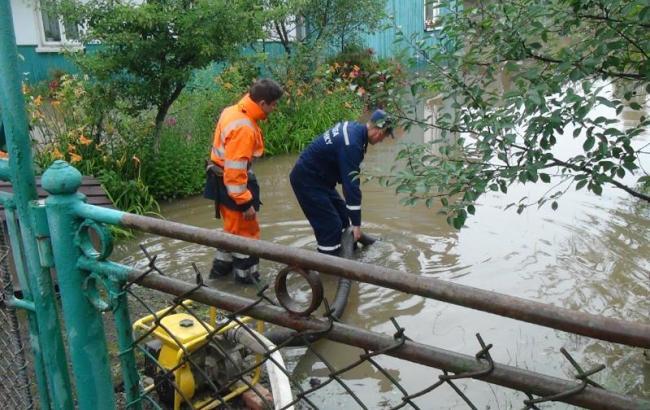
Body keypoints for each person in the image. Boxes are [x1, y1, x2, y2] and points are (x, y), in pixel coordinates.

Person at [204, 78, 283, 283]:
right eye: (273, 104)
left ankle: (219, 276)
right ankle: (246, 283)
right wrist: (246, 202)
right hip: (233, 188)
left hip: (221, 183)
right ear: (263, 103)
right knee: (246, 235)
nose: (274, 109)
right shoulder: (245, 128)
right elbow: (235, 172)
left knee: (231, 232)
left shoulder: (231, 111)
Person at [289, 109, 394, 256]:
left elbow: (347, 180)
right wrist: (356, 225)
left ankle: (348, 256)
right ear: (379, 131)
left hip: (321, 180)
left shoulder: (356, 131)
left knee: (344, 218)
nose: (381, 140)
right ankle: (329, 269)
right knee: (331, 226)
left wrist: (353, 222)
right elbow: (351, 185)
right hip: (307, 180)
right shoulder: (352, 144)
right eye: (384, 136)